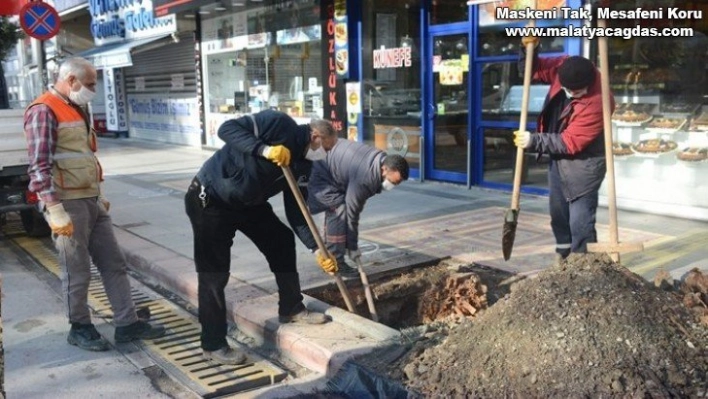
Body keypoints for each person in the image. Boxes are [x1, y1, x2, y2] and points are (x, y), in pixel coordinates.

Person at [24, 57, 165, 352]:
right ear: (71, 80)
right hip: (67, 205)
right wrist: (54, 208)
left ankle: (127, 323)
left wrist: (97, 193)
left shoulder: (76, 106)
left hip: (90, 200)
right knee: (77, 269)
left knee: (114, 263)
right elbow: (39, 166)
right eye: (89, 84)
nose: (93, 90)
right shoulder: (43, 110)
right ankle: (80, 327)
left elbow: (83, 156)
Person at [185, 110, 338, 365]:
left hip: (247, 203)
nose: (326, 154)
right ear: (314, 136)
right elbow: (226, 128)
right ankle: (213, 344)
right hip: (210, 199)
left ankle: (291, 308)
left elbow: (297, 210)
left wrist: (317, 249)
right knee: (214, 274)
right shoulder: (278, 124)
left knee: (281, 240)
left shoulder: (304, 163)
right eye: (326, 148)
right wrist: (265, 150)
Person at [513, 37, 613, 265]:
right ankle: (563, 254)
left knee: (580, 221)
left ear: (588, 85)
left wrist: (533, 140)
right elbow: (532, 70)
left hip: (584, 166)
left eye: (576, 93)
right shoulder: (564, 66)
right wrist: (529, 49)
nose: (570, 95)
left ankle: (584, 265)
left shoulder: (600, 101)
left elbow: (571, 142)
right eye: (566, 89)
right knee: (558, 214)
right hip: (558, 161)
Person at [307, 124, 409, 277]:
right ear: (385, 170)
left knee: (340, 213)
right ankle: (335, 261)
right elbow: (352, 212)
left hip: (335, 168)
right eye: (393, 181)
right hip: (321, 172)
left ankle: (334, 253)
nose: (392, 185)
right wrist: (353, 247)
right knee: (338, 212)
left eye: (397, 183)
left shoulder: (379, 160)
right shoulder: (365, 177)